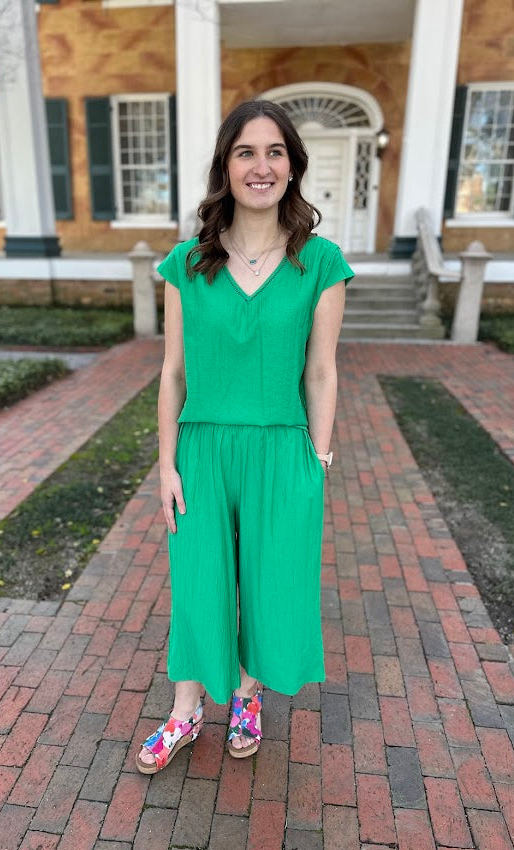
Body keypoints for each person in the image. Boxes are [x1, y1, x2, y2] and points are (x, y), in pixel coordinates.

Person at [136, 99, 353, 775]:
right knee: (197, 580)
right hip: (201, 450)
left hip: (282, 449)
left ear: (292, 167)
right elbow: (172, 373)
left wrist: (317, 457)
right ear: (225, 167)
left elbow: (321, 369)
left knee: (269, 581)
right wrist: (166, 463)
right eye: (245, 152)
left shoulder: (320, 261)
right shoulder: (185, 262)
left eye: (274, 152)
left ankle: (248, 696)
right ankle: (185, 709)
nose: (261, 166)